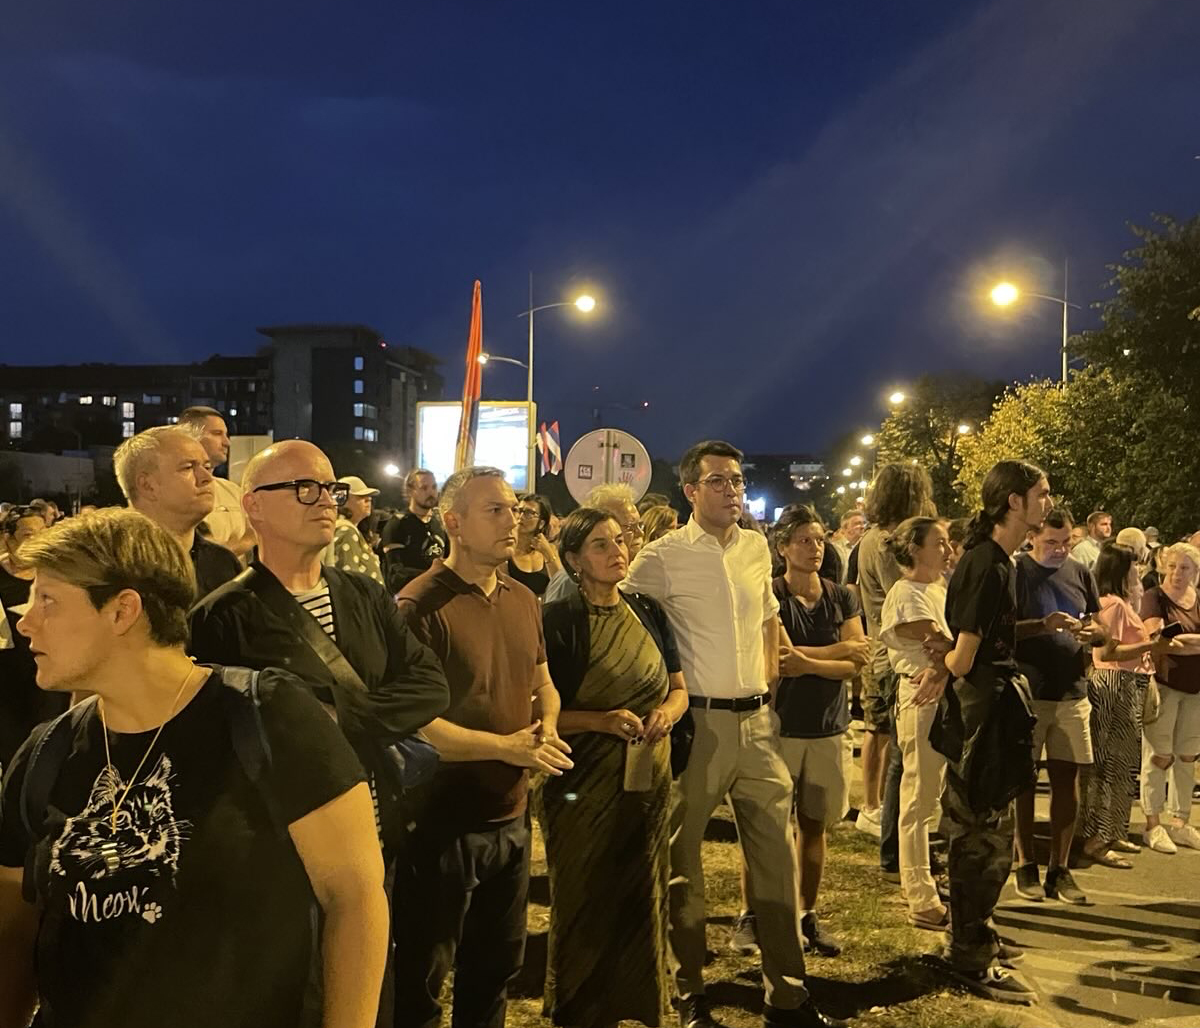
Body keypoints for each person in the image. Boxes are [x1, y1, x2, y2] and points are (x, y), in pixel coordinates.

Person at [0, 508, 388, 1028]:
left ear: (122, 611)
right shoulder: (46, 752)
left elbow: (354, 896)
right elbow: (14, 929)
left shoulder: (266, 716)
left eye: (47, 600)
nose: (24, 620)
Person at [623, 440, 842, 1028]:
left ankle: (788, 994)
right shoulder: (663, 555)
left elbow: (768, 617)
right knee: (681, 861)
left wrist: (768, 678)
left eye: (737, 481)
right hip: (696, 723)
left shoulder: (752, 550)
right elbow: (620, 612)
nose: (732, 490)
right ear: (691, 490)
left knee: (774, 858)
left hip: (757, 722)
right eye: (718, 481)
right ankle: (688, 987)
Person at [188, 440, 451, 841]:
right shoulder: (219, 618)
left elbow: (431, 687)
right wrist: (379, 714)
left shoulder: (365, 594)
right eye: (306, 488)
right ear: (253, 505)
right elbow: (223, 738)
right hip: (283, 842)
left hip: (383, 823)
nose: (327, 501)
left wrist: (336, 716)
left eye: (332, 489)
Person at [394, 466, 572, 1028]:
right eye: (495, 510)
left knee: (494, 971)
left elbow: (543, 681)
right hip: (439, 823)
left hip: (512, 818)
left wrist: (547, 724)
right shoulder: (417, 606)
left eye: (515, 509)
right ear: (454, 523)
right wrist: (507, 747)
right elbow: (417, 727)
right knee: (422, 978)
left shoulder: (523, 598)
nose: (513, 521)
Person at [539, 507, 688, 1028]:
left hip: (646, 782)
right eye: (600, 545)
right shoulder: (558, 621)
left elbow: (679, 688)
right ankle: (581, 1008)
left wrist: (666, 715)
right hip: (581, 787)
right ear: (574, 559)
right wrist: (599, 722)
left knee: (644, 890)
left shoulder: (647, 610)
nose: (617, 551)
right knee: (585, 895)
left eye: (620, 541)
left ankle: (639, 1002)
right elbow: (538, 709)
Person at [930, 460, 1053, 1004]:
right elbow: (963, 658)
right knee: (981, 837)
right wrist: (943, 659)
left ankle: (976, 936)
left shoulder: (997, 560)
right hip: (981, 718)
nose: (1047, 503)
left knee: (985, 832)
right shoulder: (988, 563)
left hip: (990, 711)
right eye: (1041, 494)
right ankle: (969, 955)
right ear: (1013, 503)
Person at [757, 504, 867, 958]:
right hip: (781, 727)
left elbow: (859, 658)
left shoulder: (841, 596)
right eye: (804, 539)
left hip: (827, 727)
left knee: (814, 825)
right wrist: (835, 655)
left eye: (820, 539)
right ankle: (759, 915)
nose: (815, 547)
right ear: (782, 547)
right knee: (768, 828)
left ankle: (806, 914)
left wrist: (809, 661)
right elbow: (779, 660)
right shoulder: (770, 593)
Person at [1011, 510, 1103, 903]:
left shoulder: (1081, 572)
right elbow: (998, 629)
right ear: (1032, 537)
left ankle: (1059, 869)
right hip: (1029, 693)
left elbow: (1102, 628)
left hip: (1072, 692)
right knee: (1024, 782)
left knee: (1067, 782)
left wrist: (1094, 632)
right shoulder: (1015, 572)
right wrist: (1042, 625)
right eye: (1052, 542)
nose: (1060, 550)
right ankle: (1024, 864)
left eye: (1066, 543)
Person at [854, 463, 935, 884]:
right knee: (900, 755)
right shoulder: (890, 545)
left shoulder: (871, 538)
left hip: (879, 648)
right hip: (894, 654)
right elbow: (907, 595)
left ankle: (893, 843)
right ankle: (894, 847)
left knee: (893, 747)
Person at [1078, 542, 1177, 865]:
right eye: (1133, 566)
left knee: (1123, 765)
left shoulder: (1116, 603)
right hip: (1115, 684)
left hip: (1126, 683)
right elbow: (1106, 653)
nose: (1138, 571)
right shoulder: (1113, 607)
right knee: (1109, 765)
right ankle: (1097, 838)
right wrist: (1152, 644)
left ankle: (1112, 831)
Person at [879, 516, 952, 931]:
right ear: (915, 549)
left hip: (940, 692)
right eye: (938, 543)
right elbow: (940, 639)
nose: (947, 549)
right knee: (918, 799)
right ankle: (919, 894)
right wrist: (944, 659)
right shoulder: (906, 594)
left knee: (934, 798)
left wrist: (944, 663)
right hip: (921, 698)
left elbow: (949, 644)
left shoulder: (937, 590)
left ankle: (930, 878)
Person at [113, 426, 241, 597]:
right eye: (188, 467)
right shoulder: (106, 563)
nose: (207, 478)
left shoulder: (222, 564)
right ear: (147, 485)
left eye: (207, 466)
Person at [1139, 541, 1200, 853]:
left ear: (1195, 572)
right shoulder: (1154, 597)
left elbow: (1177, 639)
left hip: (1195, 688)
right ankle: (1153, 824)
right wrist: (1188, 642)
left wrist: (1185, 641)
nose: (1177, 573)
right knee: (1159, 755)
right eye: (1173, 566)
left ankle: (1181, 821)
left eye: (1185, 568)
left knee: (1187, 755)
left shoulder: (1197, 598)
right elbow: (1159, 640)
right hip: (1164, 683)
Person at [544, 483, 645, 604]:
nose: (640, 533)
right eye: (630, 527)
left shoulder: (637, 577)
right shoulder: (569, 583)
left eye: (640, 525)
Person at [178, 406, 257, 560]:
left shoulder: (233, 490)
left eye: (226, 435)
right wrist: (248, 540)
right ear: (190, 438)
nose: (227, 442)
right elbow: (202, 556)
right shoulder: (179, 492)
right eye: (217, 434)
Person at [380, 469, 448, 593]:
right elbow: (396, 573)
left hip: (439, 595)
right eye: (424, 488)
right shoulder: (398, 524)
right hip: (411, 598)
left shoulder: (440, 522)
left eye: (433, 487)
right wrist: (434, 575)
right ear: (410, 491)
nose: (431, 492)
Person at [323, 474, 384, 585]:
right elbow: (348, 577)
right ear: (342, 500)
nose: (368, 499)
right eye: (361, 496)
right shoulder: (346, 531)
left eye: (369, 496)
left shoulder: (349, 529)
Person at [507, 493, 564, 598]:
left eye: (529, 513)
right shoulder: (507, 547)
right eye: (518, 511)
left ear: (541, 523)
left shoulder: (550, 550)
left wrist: (548, 554)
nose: (521, 517)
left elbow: (560, 585)